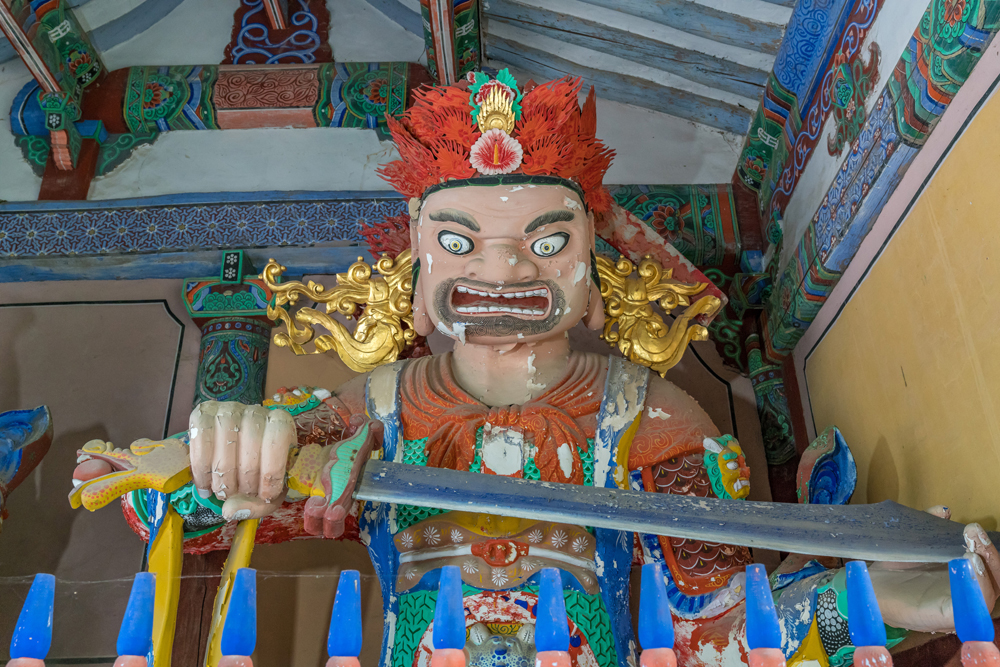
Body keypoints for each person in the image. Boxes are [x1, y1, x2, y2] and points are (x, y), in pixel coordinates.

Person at [176, 73, 1000, 666]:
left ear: (595, 271)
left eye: (546, 241)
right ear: (416, 274)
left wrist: (877, 603)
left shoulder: (653, 420)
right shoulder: (372, 414)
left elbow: (715, 630)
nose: (503, 270)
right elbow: (180, 513)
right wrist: (229, 450)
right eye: (459, 242)